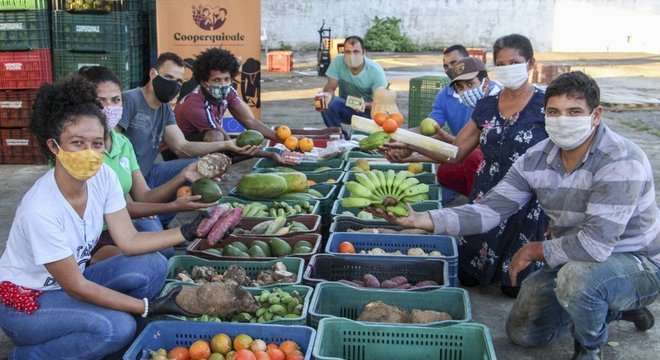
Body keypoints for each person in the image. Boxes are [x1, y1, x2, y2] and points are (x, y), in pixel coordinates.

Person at [372, 71, 660, 360]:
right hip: (571, 258)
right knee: (524, 334)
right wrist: (425, 220)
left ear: (595, 115)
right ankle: (614, 306)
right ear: (544, 114)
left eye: (574, 112)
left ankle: (590, 346)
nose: (563, 120)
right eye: (554, 112)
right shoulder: (536, 158)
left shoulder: (621, 161)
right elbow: (490, 209)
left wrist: (534, 250)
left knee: (579, 278)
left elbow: (595, 246)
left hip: (636, 261)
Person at [0, 77, 200, 359]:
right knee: (115, 328)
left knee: (153, 264)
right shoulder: (41, 210)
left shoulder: (103, 177)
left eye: (96, 143)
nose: (89, 153)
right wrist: (145, 307)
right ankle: (29, 355)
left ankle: (113, 338)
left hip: (71, 285)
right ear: (55, 146)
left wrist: (189, 233)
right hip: (26, 302)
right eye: (77, 143)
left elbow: (129, 240)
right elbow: (77, 287)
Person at [382, 34, 549, 297]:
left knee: (513, 288)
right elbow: (455, 152)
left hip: (527, 202)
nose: (508, 68)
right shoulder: (487, 106)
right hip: (487, 195)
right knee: (468, 277)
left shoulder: (546, 106)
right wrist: (412, 147)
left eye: (514, 62)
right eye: (502, 64)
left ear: (530, 64)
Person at [78, 66, 215, 261]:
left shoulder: (122, 144)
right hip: (90, 235)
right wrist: (173, 207)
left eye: (116, 100)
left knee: (164, 254)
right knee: (151, 263)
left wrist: (183, 176)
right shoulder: (76, 151)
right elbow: (118, 207)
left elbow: (144, 197)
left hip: (119, 225)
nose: (109, 107)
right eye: (101, 101)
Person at [117, 52, 259, 206]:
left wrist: (226, 145)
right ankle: (150, 214)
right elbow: (108, 152)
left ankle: (159, 215)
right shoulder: (129, 100)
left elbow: (182, 147)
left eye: (179, 80)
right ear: (153, 74)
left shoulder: (164, 108)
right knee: (147, 225)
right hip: (125, 183)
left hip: (148, 174)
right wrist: (124, 196)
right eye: (169, 77)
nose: (173, 84)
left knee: (200, 167)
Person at [174, 47, 282, 163]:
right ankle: (207, 175)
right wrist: (269, 154)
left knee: (250, 140)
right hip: (177, 151)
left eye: (226, 79)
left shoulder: (228, 91)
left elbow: (251, 122)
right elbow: (227, 141)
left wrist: (286, 140)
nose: (223, 84)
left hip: (201, 139)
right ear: (204, 83)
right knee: (217, 137)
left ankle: (221, 163)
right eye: (216, 80)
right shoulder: (195, 106)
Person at [318, 35, 387, 138]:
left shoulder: (375, 71)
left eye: (356, 52)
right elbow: (330, 87)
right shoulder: (338, 62)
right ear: (343, 52)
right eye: (348, 52)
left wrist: (365, 105)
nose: (351, 56)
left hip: (369, 112)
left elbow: (382, 103)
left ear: (363, 52)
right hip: (347, 106)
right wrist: (327, 95)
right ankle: (340, 138)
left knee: (360, 142)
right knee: (327, 104)